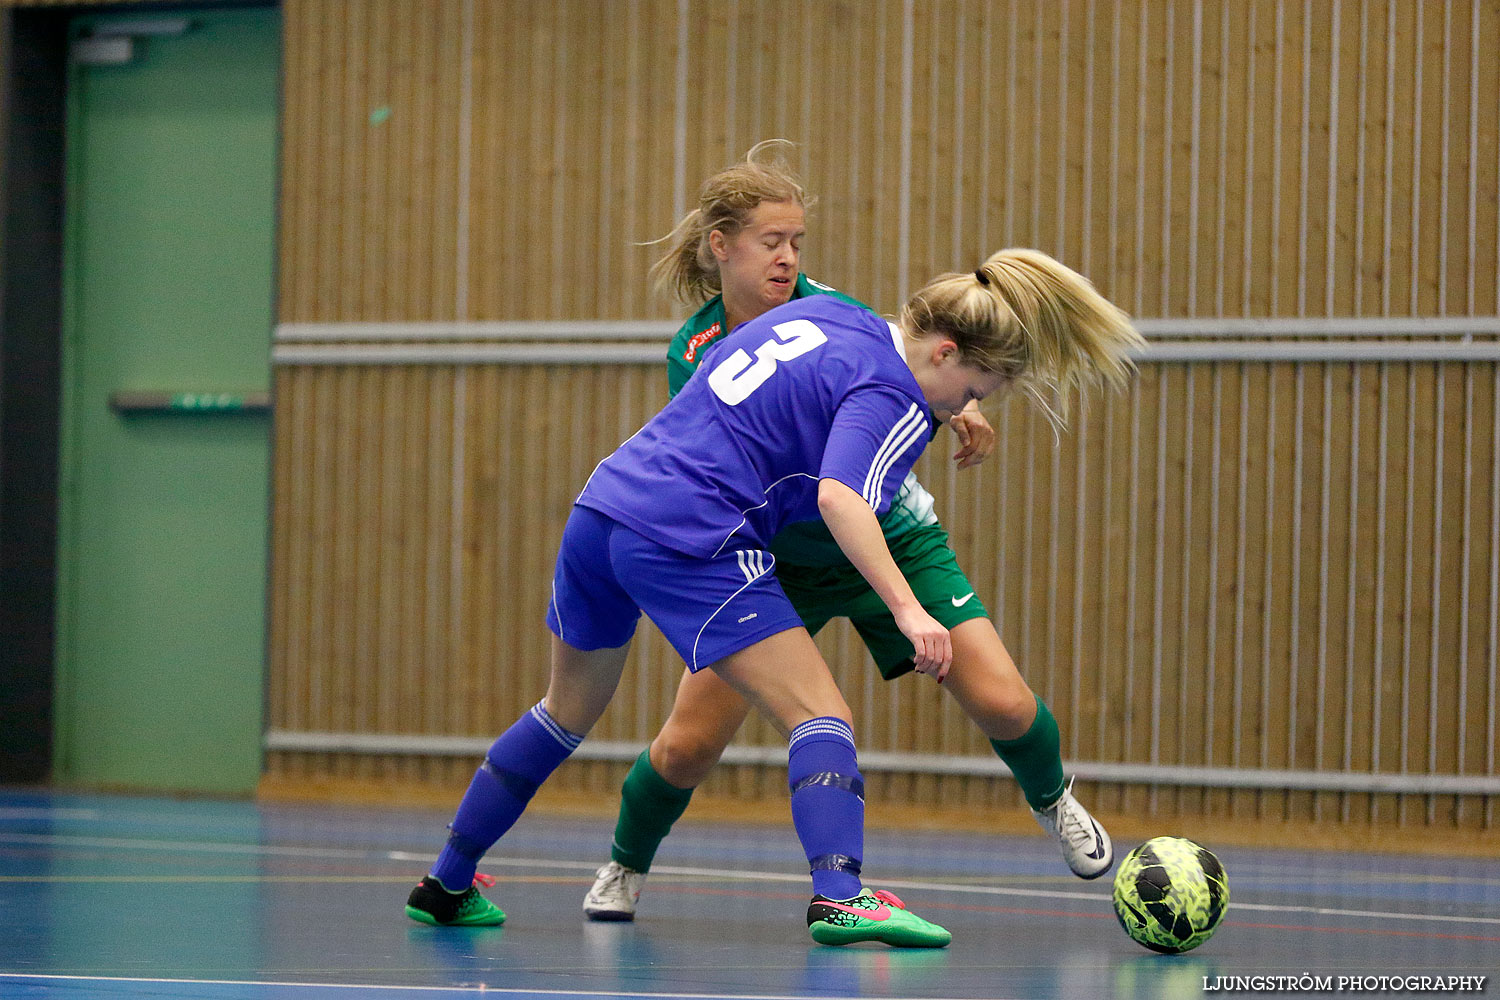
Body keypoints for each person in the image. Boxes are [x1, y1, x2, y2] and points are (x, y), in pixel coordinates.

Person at [402, 252, 1141, 948]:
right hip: (695, 532)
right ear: (943, 353)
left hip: (606, 507)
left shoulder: (836, 317)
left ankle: (448, 881)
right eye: (974, 392)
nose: (965, 407)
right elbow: (841, 498)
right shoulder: (896, 393)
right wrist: (908, 610)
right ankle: (842, 895)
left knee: (562, 716)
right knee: (819, 714)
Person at [584, 145, 1122, 925]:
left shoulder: (829, 305)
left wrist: (958, 400)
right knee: (686, 745)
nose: (788, 258)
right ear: (721, 247)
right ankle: (624, 865)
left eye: (797, 242)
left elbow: (906, 368)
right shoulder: (695, 353)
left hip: (888, 536)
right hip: (780, 559)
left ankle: (1053, 797)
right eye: (773, 242)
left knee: (1004, 702)